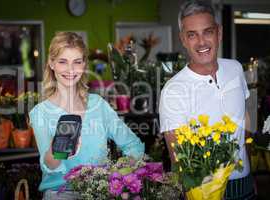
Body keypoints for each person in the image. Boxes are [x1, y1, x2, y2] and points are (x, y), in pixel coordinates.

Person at [29, 32, 144, 199]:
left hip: (101, 192)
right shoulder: (40, 112)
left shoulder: (99, 105)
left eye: (77, 62)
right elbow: (51, 167)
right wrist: (59, 148)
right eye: (63, 62)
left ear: (84, 65)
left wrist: (116, 174)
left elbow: (134, 146)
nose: (70, 70)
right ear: (51, 63)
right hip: (60, 193)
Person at [159, 1, 255, 199]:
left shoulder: (235, 69)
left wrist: (251, 172)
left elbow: (244, 121)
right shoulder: (173, 90)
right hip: (204, 190)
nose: (201, 42)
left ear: (218, 33)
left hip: (244, 183)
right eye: (192, 35)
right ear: (183, 40)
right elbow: (177, 157)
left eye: (207, 32)